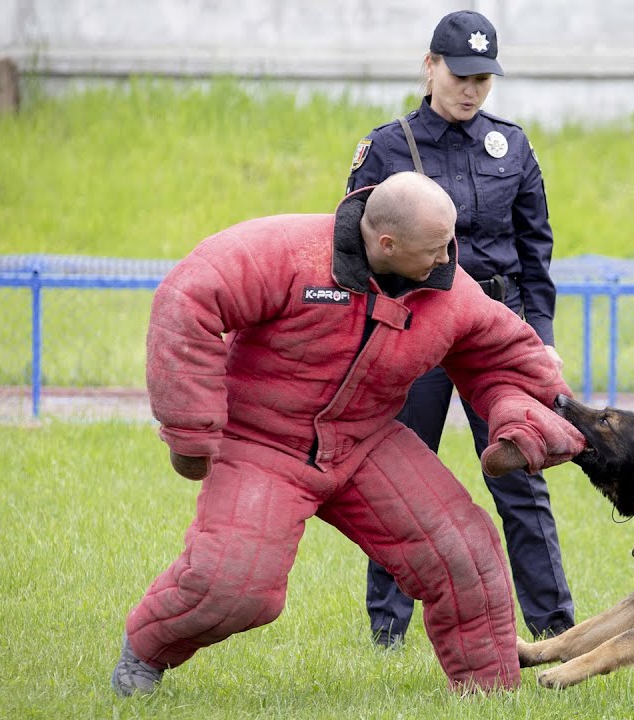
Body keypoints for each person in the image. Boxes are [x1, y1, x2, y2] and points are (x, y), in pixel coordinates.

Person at [110, 172, 586, 696]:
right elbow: (187, 299)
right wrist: (190, 432)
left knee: (464, 554)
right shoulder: (288, 252)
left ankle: (491, 694)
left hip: (365, 441)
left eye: (450, 244)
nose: (447, 258)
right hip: (261, 440)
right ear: (387, 243)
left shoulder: (450, 291)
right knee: (235, 589)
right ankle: (145, 654)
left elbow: (506, 360)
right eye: (434, 248)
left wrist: (522, 421)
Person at [346, 9, 575, 648]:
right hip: (414, 330)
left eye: (484, 78)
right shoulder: (388, 147)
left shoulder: (514, 145)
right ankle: (387, 630)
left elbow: (537, 253)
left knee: (522, 480)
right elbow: (356, 249)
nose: (472, 89)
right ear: (430, 67)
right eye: (461, 74)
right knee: (396, 477)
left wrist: (543, 336)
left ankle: (554, 628)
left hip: (494, 335)